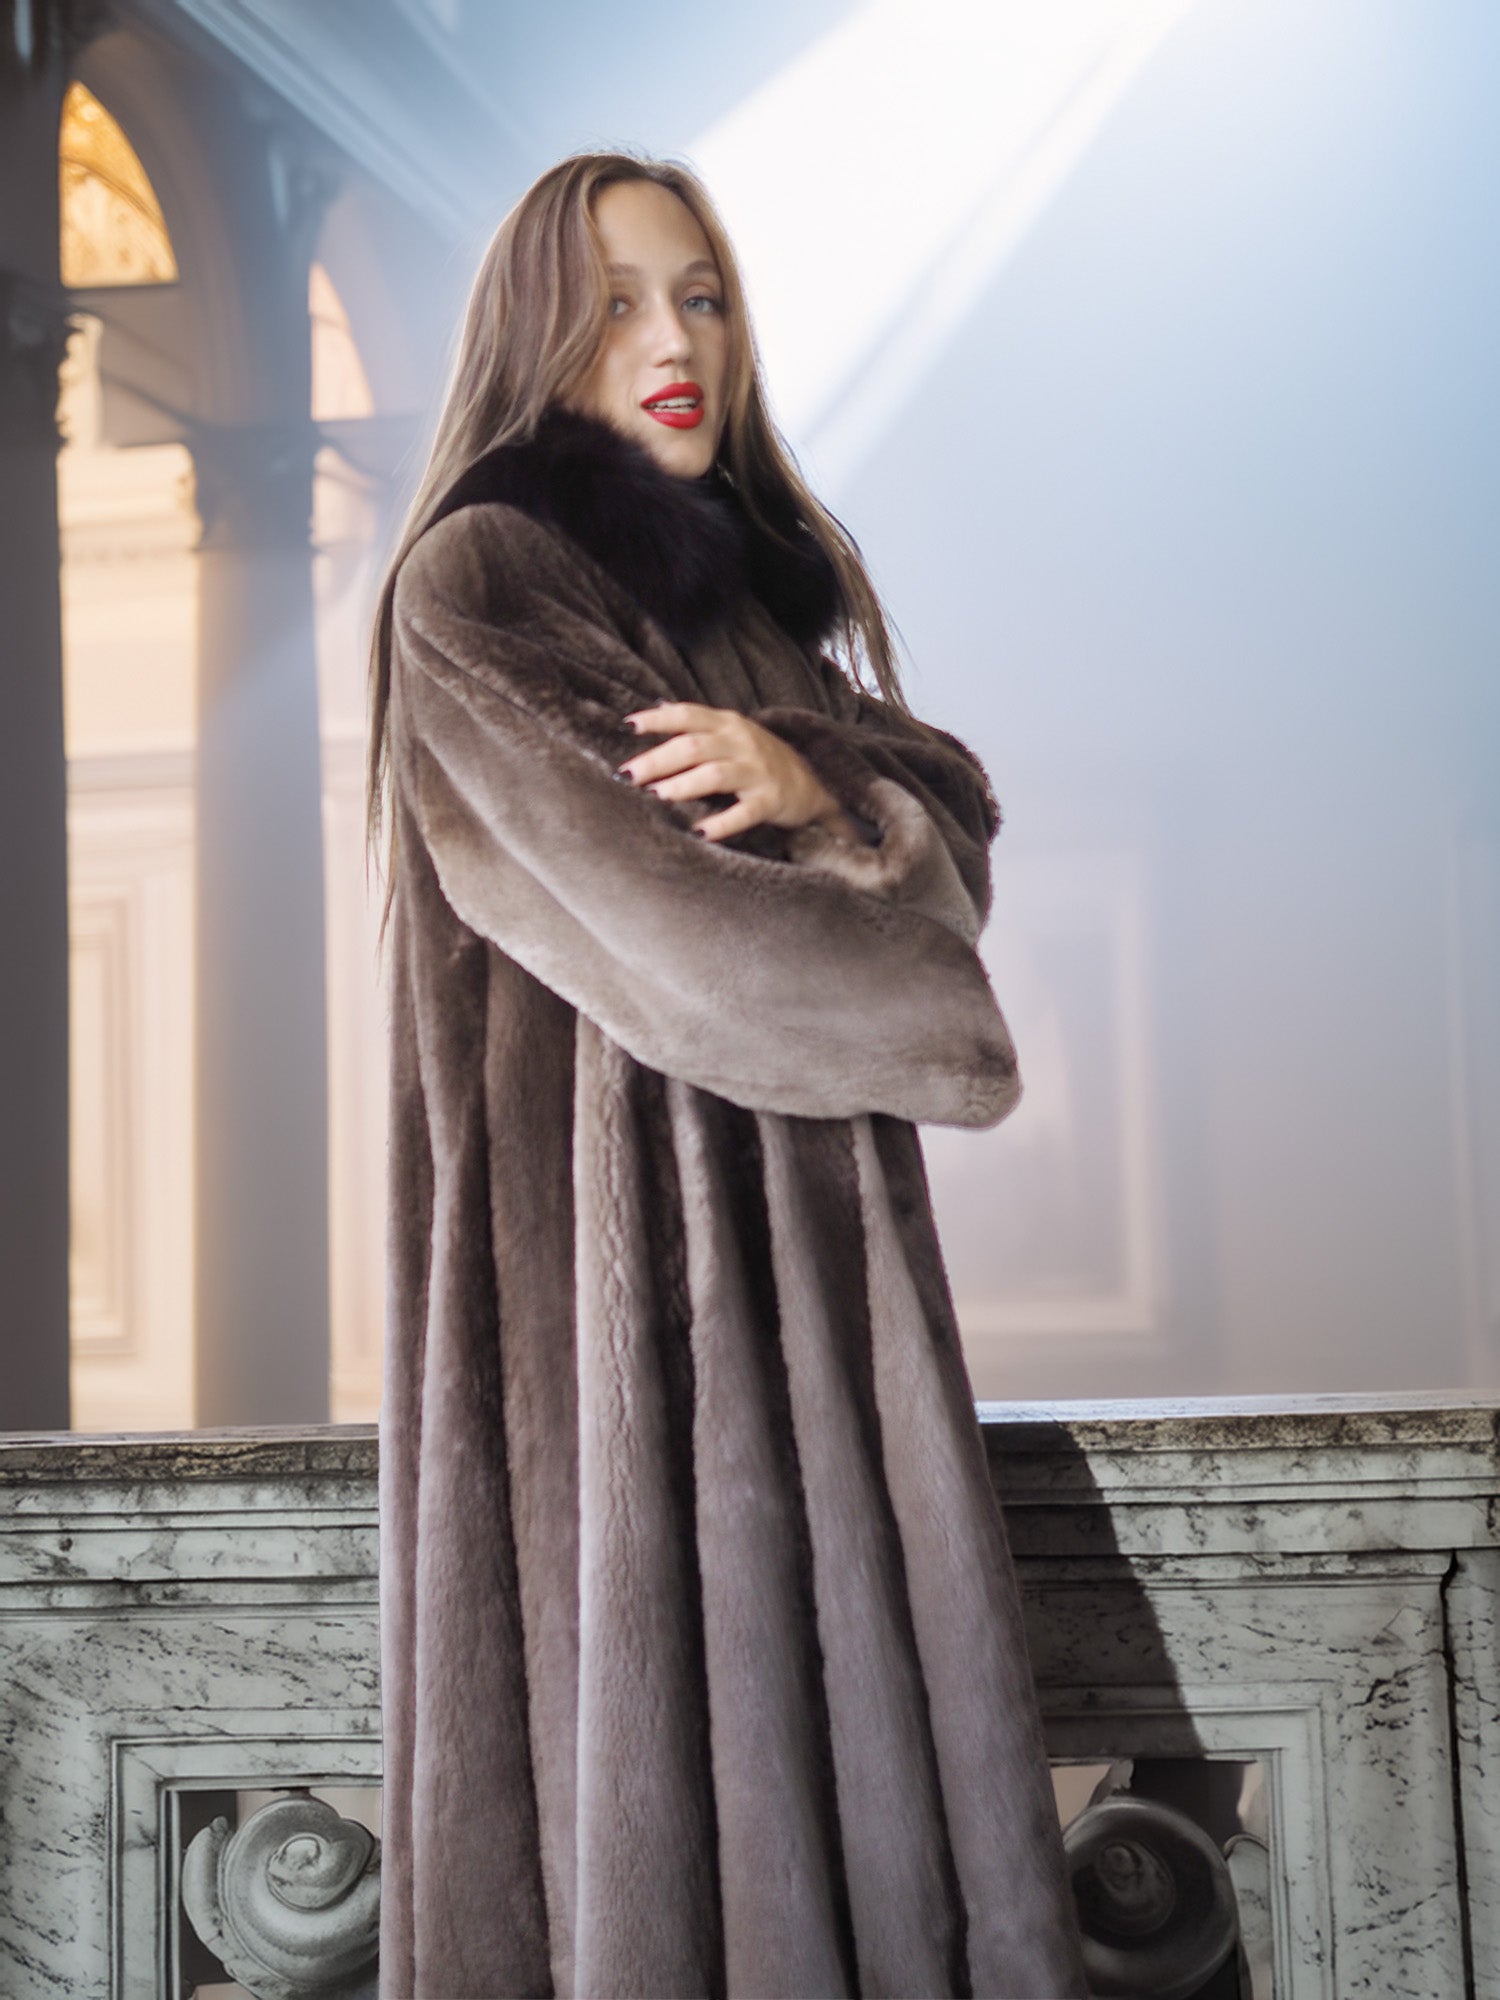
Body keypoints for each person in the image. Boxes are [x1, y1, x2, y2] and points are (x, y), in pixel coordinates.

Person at [370, 151, 1086, 2000]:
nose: (672, 341)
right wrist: (877, 884)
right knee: (668, 1831)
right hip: (617, 1339)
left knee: (864, 1824)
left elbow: (943, 817)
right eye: (615, 303)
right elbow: (699, 938)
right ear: (537, 336)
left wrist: (820, 782)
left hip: (815, 1323)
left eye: (698, 296)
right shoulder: (484, 576)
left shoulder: (753, 621)